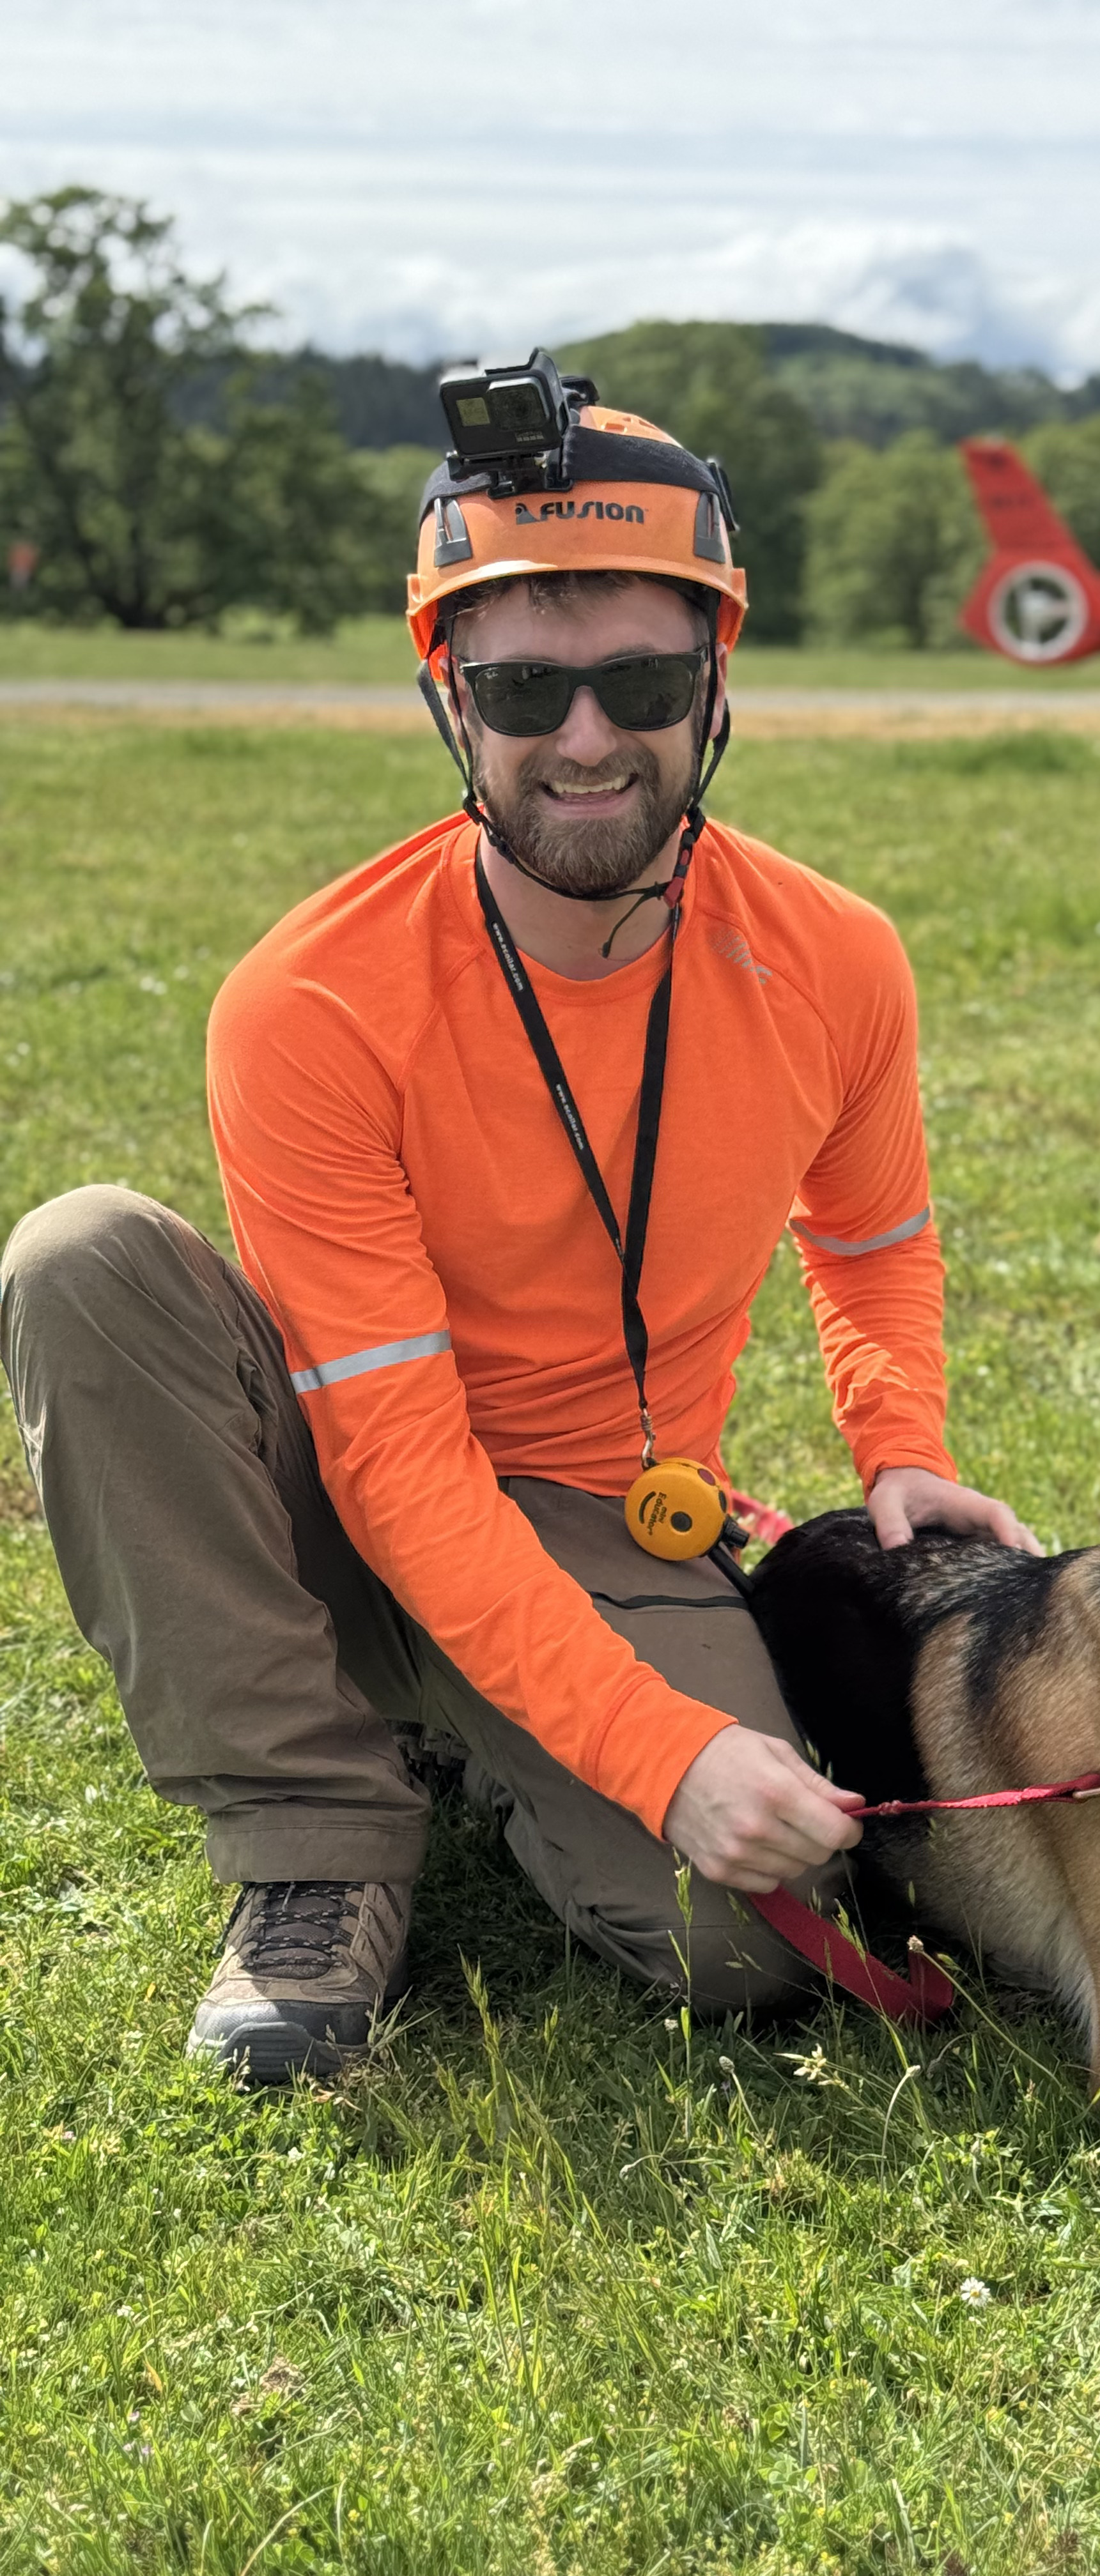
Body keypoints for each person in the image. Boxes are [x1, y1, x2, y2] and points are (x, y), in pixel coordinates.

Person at [1, 371, 1036, 2084]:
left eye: (644, 682)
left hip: (597, 1511)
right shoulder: (310, 999)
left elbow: (868, 1236)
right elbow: (397, 1460)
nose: (587, 738)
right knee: (81, 1258)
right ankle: (314, 1838)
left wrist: (902, 1442)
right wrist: (659, 1752)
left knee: (740, 1944)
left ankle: (463, 1724)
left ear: (717, 682)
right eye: (523, 689)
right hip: (338, 1483)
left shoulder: (837, 959)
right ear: (447, 695)